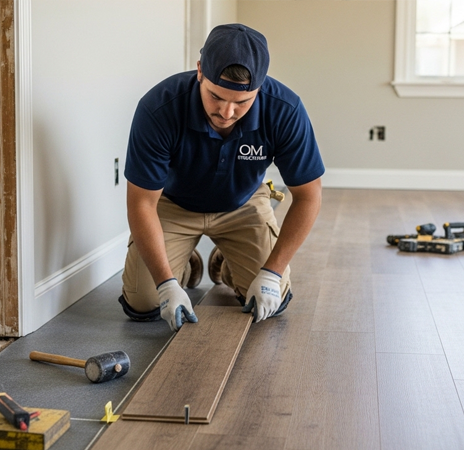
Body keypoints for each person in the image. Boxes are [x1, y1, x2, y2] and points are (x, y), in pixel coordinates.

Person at [118, 23, 324, 331]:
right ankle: (183, 266)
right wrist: (166, 283)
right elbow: (142, 204)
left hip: (243, 202)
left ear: (261, 86)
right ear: (200, 70)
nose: (227, 113)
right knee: (144, 303)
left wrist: (271, 273)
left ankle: (228, 265)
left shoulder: (285, 109)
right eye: (215, 97)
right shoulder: (158, 109)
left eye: (242, 102)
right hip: (173, 205)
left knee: (271, 299)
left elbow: (309, 196)